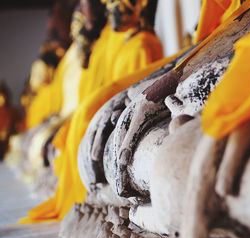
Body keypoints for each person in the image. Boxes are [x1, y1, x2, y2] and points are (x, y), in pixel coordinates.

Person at [21, 0, 164, 223]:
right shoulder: (109, 45)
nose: (110, 7)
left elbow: (136, 95)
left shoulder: (142, 43)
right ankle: (83, 192)